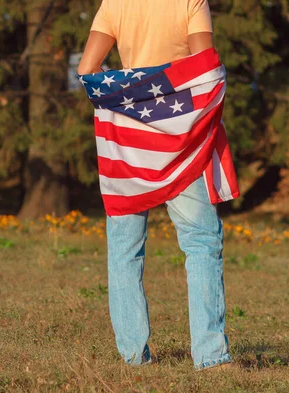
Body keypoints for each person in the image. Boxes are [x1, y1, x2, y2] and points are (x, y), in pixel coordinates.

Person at [77, 0, 236, 370]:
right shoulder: (190, 1)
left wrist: (126, 99)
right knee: (201, 244)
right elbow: (205, 65)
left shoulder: (114, 3)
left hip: (129, 146)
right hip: (181, 141)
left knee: (124, 249)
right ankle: (211, 356)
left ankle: (134, 356)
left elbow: (87, 69)